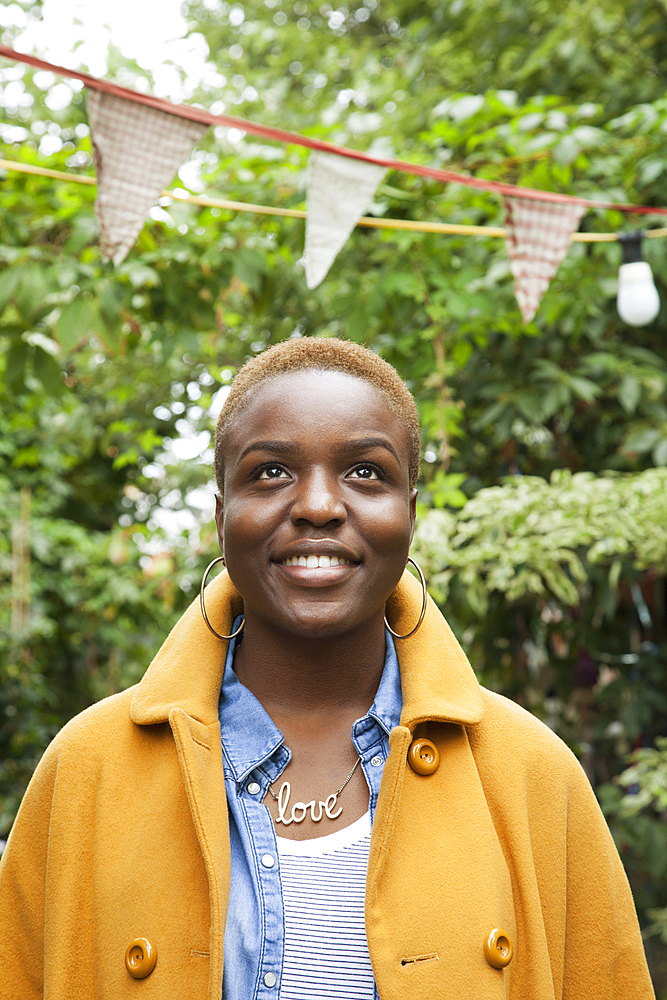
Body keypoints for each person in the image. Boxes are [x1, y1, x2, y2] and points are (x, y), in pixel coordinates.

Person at [0, 336, 655, 1000]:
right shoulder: (86, 769)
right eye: (271, 472)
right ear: (222, 513)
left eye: (365, 472)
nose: (318, 505)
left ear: (410, 512)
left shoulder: (529, 773)